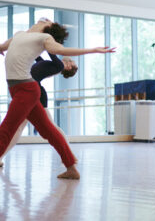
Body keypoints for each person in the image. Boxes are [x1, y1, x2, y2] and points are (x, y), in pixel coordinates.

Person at [0, 17, 115, 179]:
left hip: (26, 90)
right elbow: (4, 46)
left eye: (46, 21)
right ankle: (71, 168)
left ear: (49, 28)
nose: (41, 20)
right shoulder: (20, 35)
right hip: (18, 89)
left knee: (7, 128)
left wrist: (92, 50)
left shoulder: (43, 39)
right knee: (48, 130)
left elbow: (61, 51)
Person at [0, 52, 78, 167]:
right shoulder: (53, 65)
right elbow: (37, 56)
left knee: (41, 126)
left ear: (68, 66)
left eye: (72, 62)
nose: (70, 58)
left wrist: (43, 39)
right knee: (20, 127)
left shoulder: (58, 66)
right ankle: (69, 154)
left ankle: (69, 154)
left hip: (36, 93)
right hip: (33, 91)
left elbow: (50, 52)